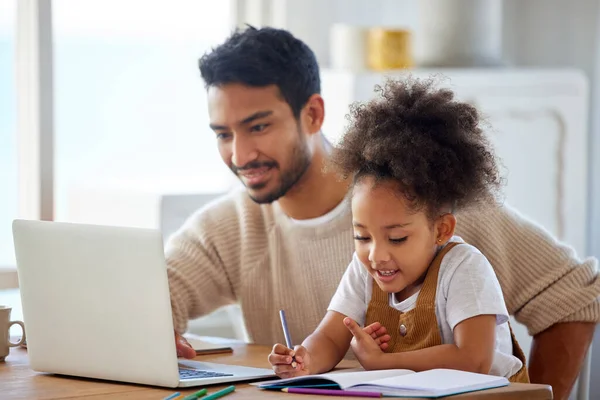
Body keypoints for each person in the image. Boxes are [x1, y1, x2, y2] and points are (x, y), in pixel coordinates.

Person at [166, 26, 599, 399]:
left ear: (313, 113)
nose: (240, 154)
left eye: (258, 126)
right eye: (223, 133)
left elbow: (576, 295)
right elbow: (160, 289)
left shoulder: (434, 201)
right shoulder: (228, 227)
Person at [268, 78, 529, 383]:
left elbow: (473, 360)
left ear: (441, 229)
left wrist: (384, 362)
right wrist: (305, 360)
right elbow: (329, 337)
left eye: (397, 238)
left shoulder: (464, 269)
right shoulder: (365, 271)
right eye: (362, 237)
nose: (376, 254)